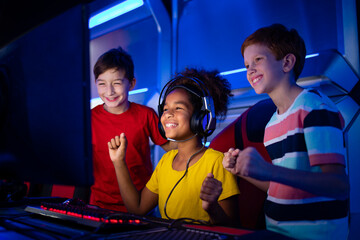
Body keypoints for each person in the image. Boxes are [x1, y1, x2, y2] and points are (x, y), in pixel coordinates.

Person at [223, 24, 349, 239]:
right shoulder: (272, 124)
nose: (250, 70)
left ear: (287, 62)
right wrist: (242, 172)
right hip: (277, 231)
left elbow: (338, 186)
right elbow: (279, 187)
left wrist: (270, 171)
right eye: (246, 65)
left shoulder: (313, 107)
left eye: (258, 60)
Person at [108, 68, 240, 226]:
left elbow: (231, 228)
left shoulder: (217, 162)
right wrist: (118, 162)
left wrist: (212, 207)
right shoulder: (165, 161)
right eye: (165, 109)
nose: (168, 114)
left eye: (178, 108)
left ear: (200, 118)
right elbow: (137, 209)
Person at [91, 47, 174, 211]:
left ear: (131, 84)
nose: (110, 91)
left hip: (141, 203)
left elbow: (170, 147)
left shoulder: (146, 115)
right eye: (102, 84)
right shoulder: (89, 119)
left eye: (116, 83)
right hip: (99, 205)